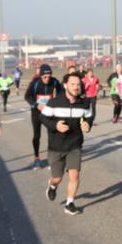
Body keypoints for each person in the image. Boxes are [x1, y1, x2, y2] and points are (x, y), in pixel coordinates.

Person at [39, 71, 91, 216]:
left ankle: (70, 203)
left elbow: (89, 117)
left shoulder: (84, 103)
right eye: (73, 84)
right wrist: (55, 126)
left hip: (74, 145)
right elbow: (42, 118)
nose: (76, 87)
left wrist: (87, 125)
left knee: (74, 176)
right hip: (56, 147)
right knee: (58, 178)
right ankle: (52, 185)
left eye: (78, 85)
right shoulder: (54, 103)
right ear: (65, 85)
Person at [24, 64, 62, 170]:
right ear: (40, 76)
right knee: (37, 135)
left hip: (49, 112)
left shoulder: (54, 81)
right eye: (45, 77)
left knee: (52, 135)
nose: (47, 78)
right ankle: (37, 158)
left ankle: (51, 158)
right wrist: (36, 105)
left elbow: (61, 93)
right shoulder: (35, 83)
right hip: (36, 113)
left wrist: (56, 103)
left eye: (49, 76)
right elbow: (27, 96)